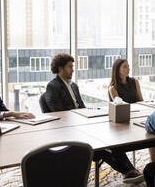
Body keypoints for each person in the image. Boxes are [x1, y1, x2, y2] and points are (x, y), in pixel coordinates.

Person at [45, 53, 144, 184]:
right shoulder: (53, 86)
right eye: (70, 67)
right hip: (70, 130)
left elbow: (82, 106)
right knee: (101, 147)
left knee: (111, 137)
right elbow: (59, 114)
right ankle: (128, 170)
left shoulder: (73, 85)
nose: (73, 70)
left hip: (83, 124)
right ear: (60, 68)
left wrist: (91, 114)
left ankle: (128, 171)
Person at [108, 58, 155, 162]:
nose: (128, 69)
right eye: (125, 67)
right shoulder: (112, 88)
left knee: (152, 129)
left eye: (128, 66)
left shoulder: (134, 82)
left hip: (138, 115)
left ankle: (152, 160)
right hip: (125, 119)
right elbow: (119, 106)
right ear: (117, 69)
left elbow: (141, 101)